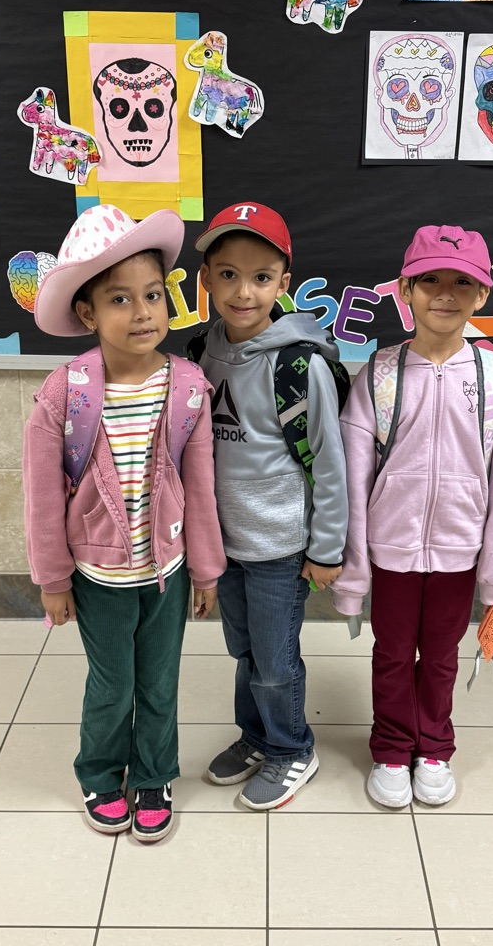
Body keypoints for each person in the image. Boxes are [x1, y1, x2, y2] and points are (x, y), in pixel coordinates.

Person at [23, 203, 225, 841]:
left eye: (152, 295)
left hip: (165, 572)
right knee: (112, 685)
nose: (143, 313)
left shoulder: (188, 385)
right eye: (119, 299)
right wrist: (53, 579)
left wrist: (207, 568)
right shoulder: (67, 392)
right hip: (97, 575)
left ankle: (155, 772)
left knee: (160, 681)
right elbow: (40, 496)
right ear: (88, 314)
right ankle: (101, 773)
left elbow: (200, 487)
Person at [332, 224, 493, 809]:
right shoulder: (379, 377)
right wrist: (352, 571)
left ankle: (434, 746)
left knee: (441, 655)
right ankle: (393, 747)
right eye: (430, 282)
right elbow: (351, 479)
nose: (445, 294)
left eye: (461, 283)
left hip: (459, 551)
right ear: (405, 290)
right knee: (393, 653)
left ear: (481, 295)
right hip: (390, 550)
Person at [189, 201, 348, 810]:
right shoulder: (200, 351)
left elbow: (332, 465)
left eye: (260, 277)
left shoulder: (298, 364)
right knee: (245, 652)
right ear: (204, 278)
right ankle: (256, 736)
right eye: (227, 274)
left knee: (277, 661)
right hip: (224, 546)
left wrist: (328, 548)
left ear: (284, 282)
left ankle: (291, 749)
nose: (243, 291)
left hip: (282, 547)